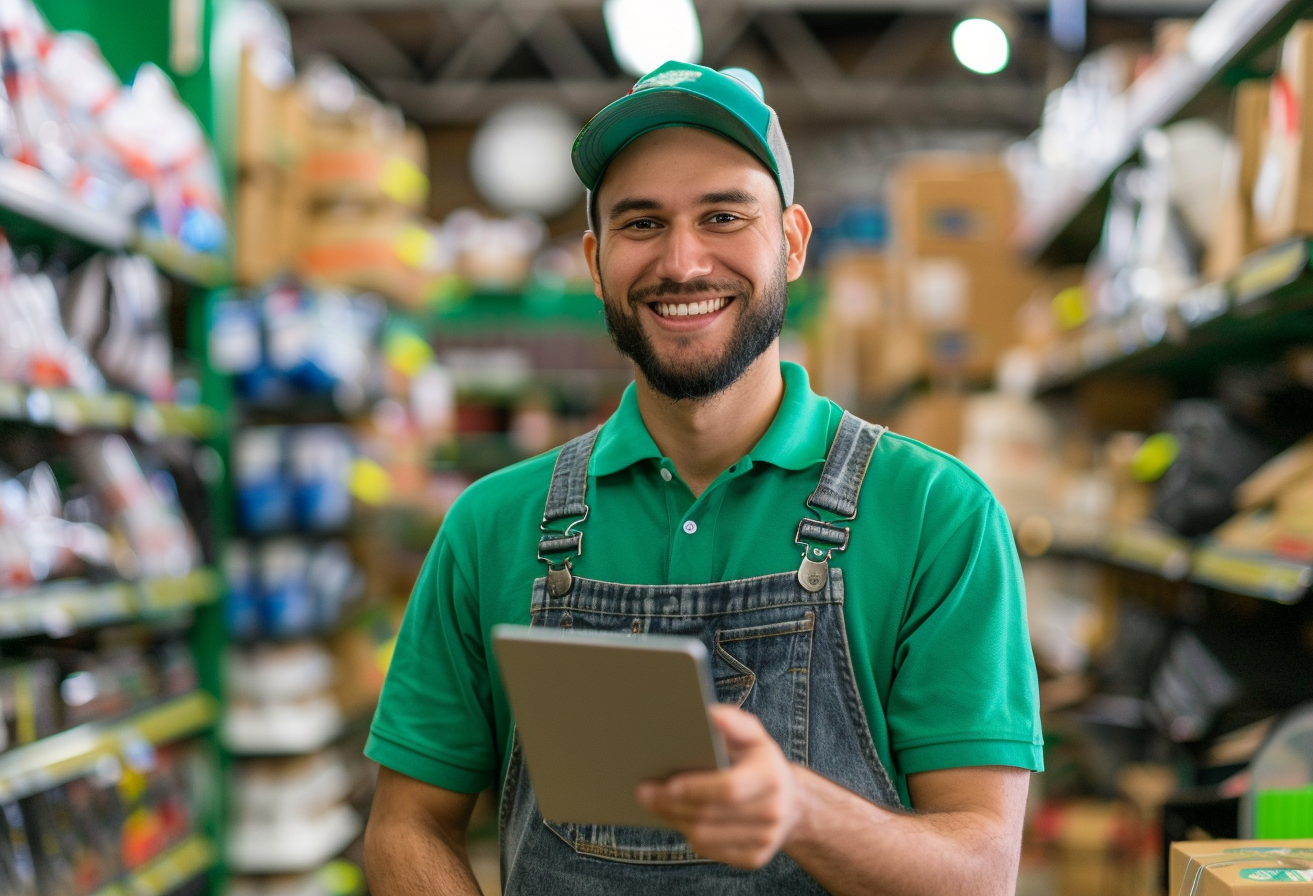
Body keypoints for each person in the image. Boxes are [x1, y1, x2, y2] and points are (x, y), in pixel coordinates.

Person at [363, 61, 1042, 896]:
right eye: (641, 223)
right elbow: (407, 825)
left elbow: (981, 873)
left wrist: (799, 809)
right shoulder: (492, 526)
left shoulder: (937, 514)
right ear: (596, 258)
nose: (683, 263)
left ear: (790, 243)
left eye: (723, 215)